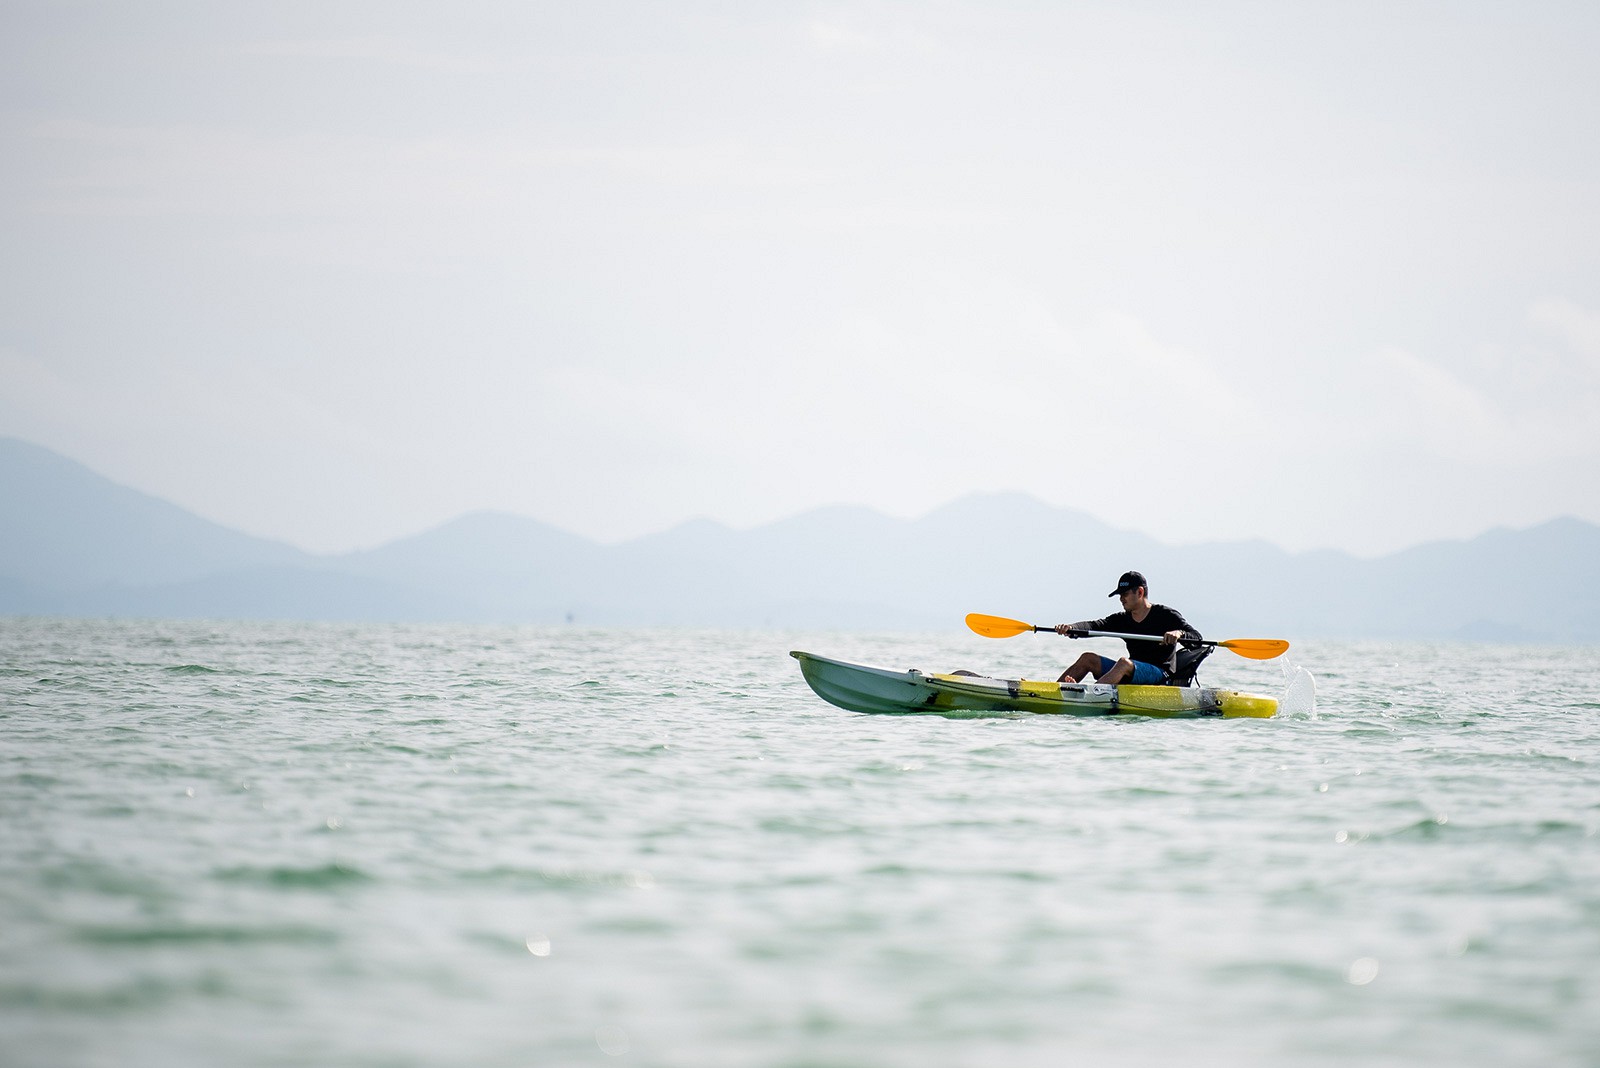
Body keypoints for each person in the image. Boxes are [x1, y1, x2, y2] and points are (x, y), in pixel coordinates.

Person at [1054, 571, 1202, 686]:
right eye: (1120, 594)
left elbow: (1197, 638)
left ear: (1140, 592)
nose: (1121, 598)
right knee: (1088, 658)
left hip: (1160, 674)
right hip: (1131, 671)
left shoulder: (1166, 615)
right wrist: (1071, 628)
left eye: (1125, 594)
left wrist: (1179, 633)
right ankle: (1054, 691)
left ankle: (1093, 693)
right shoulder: (1122, 619)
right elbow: (1094, 626)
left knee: (1124, 663)